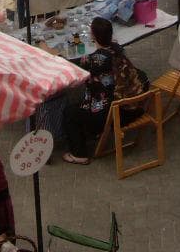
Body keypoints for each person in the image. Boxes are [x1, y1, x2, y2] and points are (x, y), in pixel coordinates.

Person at [62, 17, 145, 165]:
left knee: (70, 112)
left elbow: (74, 67)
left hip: (115, 114)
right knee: (87, 99)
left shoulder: (94, 60)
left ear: (93, 35)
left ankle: (79, 154)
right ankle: (92, 133)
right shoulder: (118, 50)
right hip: (134, 107)